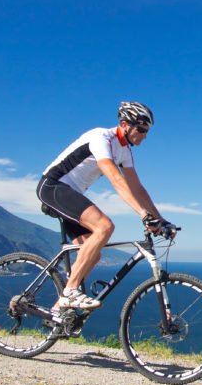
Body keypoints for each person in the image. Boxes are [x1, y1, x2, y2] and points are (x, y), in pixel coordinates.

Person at [36, 101, 176, 317]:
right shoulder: (101, 138)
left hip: (72, 194)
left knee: (94, 254)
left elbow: (138, 189)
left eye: (147, 131)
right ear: (124, 124)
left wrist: (161, 220)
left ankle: (58, 312)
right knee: (104, 226)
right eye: (141, 129)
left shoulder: (125, 151)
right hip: (54, 186)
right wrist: (143, 215)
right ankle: (70, 291)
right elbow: (116, 180)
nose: (145, 136)